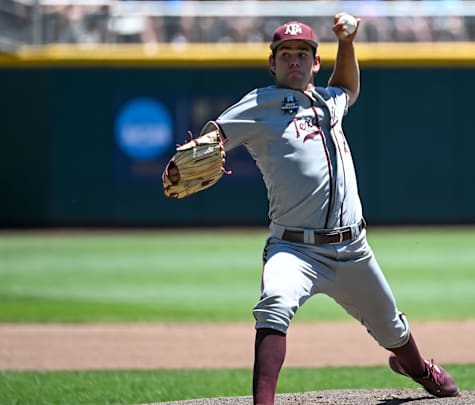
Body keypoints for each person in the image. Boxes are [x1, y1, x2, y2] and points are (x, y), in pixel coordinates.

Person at [188, 14, 460, 404]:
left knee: (392, 330)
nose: (294, 61)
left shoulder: (329, 102)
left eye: (302, 54)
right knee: (274, 305)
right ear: (273, 63)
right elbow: (216, 133)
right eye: (286, 55)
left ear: (316, 63)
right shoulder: (260, 104)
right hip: (293, 249)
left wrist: (347, 44)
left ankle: (418, 370)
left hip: (352, 250)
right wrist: (205, 144)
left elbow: (347, 86)